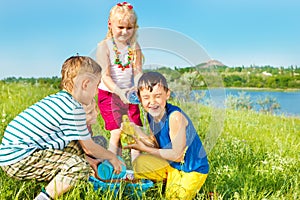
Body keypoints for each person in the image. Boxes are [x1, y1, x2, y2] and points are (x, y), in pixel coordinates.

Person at [0, 56, 124, 200]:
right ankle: (43, 197)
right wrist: (112, 156)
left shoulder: (61, 99)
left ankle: (79, 175)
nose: (97, 92)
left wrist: (92, 161)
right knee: (79, 167)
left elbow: (78, 147)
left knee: (85, 146)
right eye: (96, 86)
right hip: (19, 159)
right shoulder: (73, 108)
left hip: (19, 152)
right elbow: (89, 148)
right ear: (85, 84)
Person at [123, 72, 209, 200]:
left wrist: (143, 148)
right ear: (140, 99)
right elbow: (156, 144)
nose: (152, 102)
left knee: (172, 198)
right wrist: (136, 131)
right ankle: (167, 181)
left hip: (191, 168)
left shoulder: (174, 116)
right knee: (139, 163)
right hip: (172, 165)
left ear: (167, 94)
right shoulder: (151, 115)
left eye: (157, 96)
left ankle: (204, 195)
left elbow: (177, 156)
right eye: (146, 97)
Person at [95, 2, 143, 161]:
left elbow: (137, 71)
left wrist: (136, 87)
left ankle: (138, 170)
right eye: (120, 27)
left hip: (129, 93)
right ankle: (113, 168)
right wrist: (119, 92)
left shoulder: (134, 47)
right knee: (116, 131)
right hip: (109, 94)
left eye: (129, 28)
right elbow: (105, 76)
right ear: (110, 25)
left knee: (135, 131)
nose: (124, 32)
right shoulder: (104, 47)